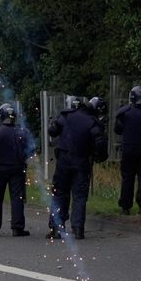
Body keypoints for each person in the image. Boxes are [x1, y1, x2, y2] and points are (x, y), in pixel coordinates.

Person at [48, 96, 107, 240]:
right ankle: (78, 229)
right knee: (79, 196)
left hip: (63, 160)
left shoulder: (65, 116)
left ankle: (56, 228)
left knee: (59, 193)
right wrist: (99, 155)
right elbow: (100, 140)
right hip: (82, 161)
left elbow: (52, 131)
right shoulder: (91, 120)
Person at [0, 103, 34, 237]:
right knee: (17, 197)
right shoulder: (22, 131)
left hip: (0, 168)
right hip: (17, 168)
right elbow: (31, 150)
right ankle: (17, 228)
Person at [114, 85, 141, 215]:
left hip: (128, 149)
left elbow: (117, 130)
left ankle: (125, 206)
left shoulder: (124, 112)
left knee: (127, 178)